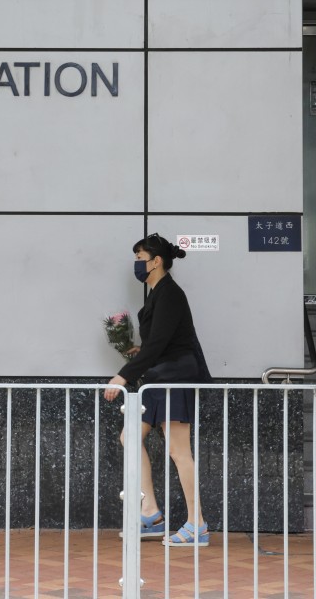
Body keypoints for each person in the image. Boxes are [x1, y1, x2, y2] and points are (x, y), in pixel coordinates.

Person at [104, 233, 212, 547]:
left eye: (140, 259)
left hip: (174, 378)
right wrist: (141, 351)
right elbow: (159, 343)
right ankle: (151, 514)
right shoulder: (158, 294)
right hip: (158, 377)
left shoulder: (170, 294)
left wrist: (122, 377)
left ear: (156, 262)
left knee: (179, 451)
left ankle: (197, 524)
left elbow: (161, 344)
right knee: (129, 437)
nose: (136, 264)